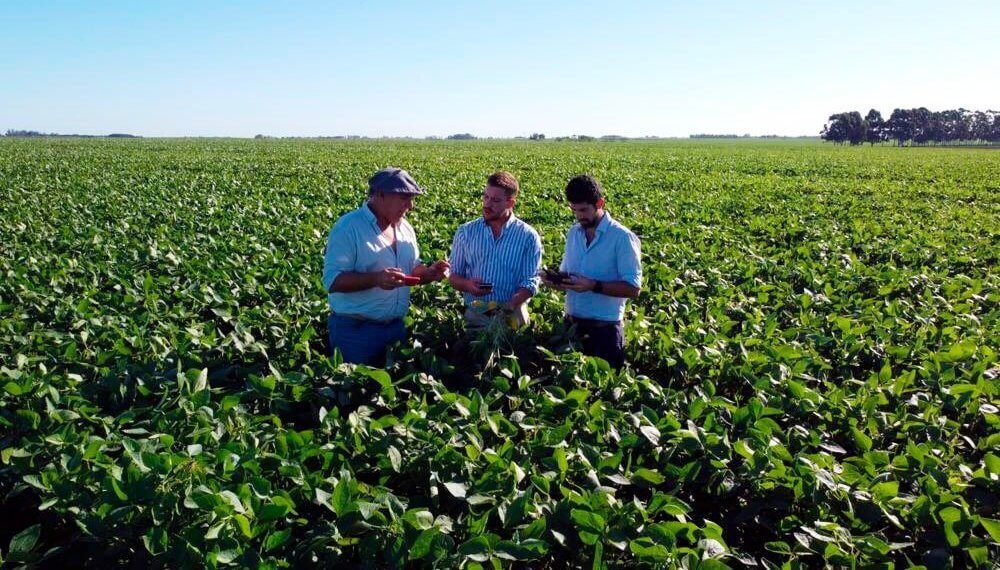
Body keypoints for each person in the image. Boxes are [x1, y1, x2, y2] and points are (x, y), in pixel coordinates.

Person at [322, 167, 450, 365]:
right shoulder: (348, 227)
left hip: (396, 330)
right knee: (358, 391)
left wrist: (429, 273)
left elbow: (412, 269)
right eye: (405, 198)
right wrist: (376, 279)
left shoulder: (405, 227)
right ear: (380, 195)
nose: (411, 206)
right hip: (356, 332)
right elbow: (332, 281)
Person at [541, 174, 641, 370]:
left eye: (584, 210)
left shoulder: (622, 237)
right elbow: (569, 275)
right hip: (571, 329)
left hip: (604, 334)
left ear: (600, 203)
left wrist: (593, 285)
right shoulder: (573, 233)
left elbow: (633, 288)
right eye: (574, 210)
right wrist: (556, 281)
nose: (579, 216)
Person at [448, 171, 542, 329]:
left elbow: (531, 281)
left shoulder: (528, 236)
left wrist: (510, 305)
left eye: (495, 200)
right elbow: (453, 275)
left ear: (510, 203)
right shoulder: (466, 232)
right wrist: (468, 285)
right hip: (476, 315)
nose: (487, 204)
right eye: (486, 197)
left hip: (513, 316)